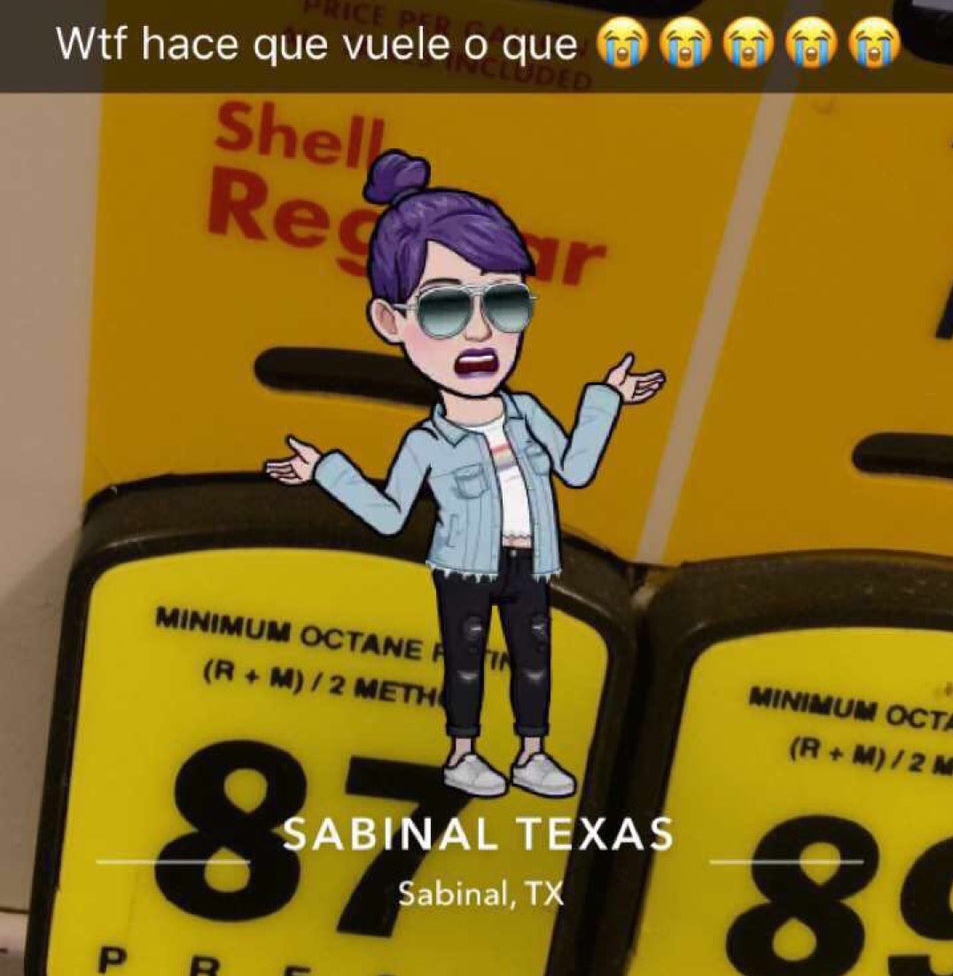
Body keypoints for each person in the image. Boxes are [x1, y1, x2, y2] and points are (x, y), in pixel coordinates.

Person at [265, 150, 665, 798]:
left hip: (532, 561)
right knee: (466, 666)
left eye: (503, 303)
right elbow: (388, 516)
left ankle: (532, 752)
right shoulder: (427, 441)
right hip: (464, 568)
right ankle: (462, 753)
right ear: (391, 322)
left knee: (535, 664)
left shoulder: (527, 412)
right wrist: (326, 470)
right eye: (446, 309)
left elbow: (576, 469)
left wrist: (607, 399)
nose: (480, 332)